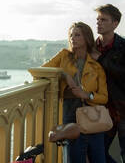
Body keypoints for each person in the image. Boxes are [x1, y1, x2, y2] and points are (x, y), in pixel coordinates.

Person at [42, 22, 108, 163]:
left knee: (98, 159)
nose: (73, 38)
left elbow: (104, 97)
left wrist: (87, 95)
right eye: (71, 35)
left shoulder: (96, 66)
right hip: (71, 115)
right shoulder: (64, 56)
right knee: (75, 158)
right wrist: (64, 75)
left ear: (87, 38)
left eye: (77, 35)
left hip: (92, 116)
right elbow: (42, 70)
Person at [93, 4, 125, 163]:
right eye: (98, 19)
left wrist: (100, 59)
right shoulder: (91, 47)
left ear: (115, 23)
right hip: (102, 110)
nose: (98, 22)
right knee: (96, 153)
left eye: (103, 20)